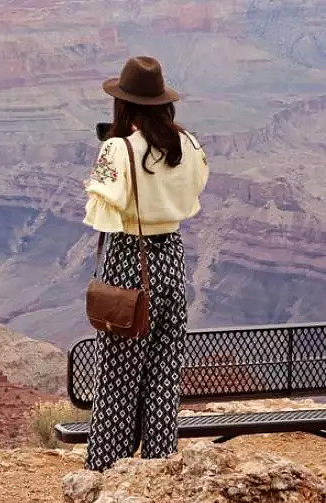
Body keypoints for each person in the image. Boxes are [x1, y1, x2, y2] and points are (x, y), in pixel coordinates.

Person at [82, 56, 209, 471]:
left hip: (129, 259)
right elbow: (194, 193)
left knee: (119, 373)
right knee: (164, 369)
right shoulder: (189, 144)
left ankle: (106, 470)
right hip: (171, 257)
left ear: (123, 105)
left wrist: (112, 149)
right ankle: (158, 465)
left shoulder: (117, 148)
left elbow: (100, 213)